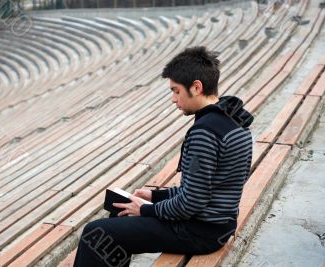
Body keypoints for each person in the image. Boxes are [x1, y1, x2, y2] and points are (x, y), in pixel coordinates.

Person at [73, 46, 254, 267]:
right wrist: (154, 196)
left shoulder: (205, 132)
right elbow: (207, 188)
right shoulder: (233, 120)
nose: (173, 99)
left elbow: (193, 202)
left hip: (199, 231)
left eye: (176, 91)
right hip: (218, 224)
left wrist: (146, 209)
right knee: (120, 212)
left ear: (196, 87)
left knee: (96, 233)